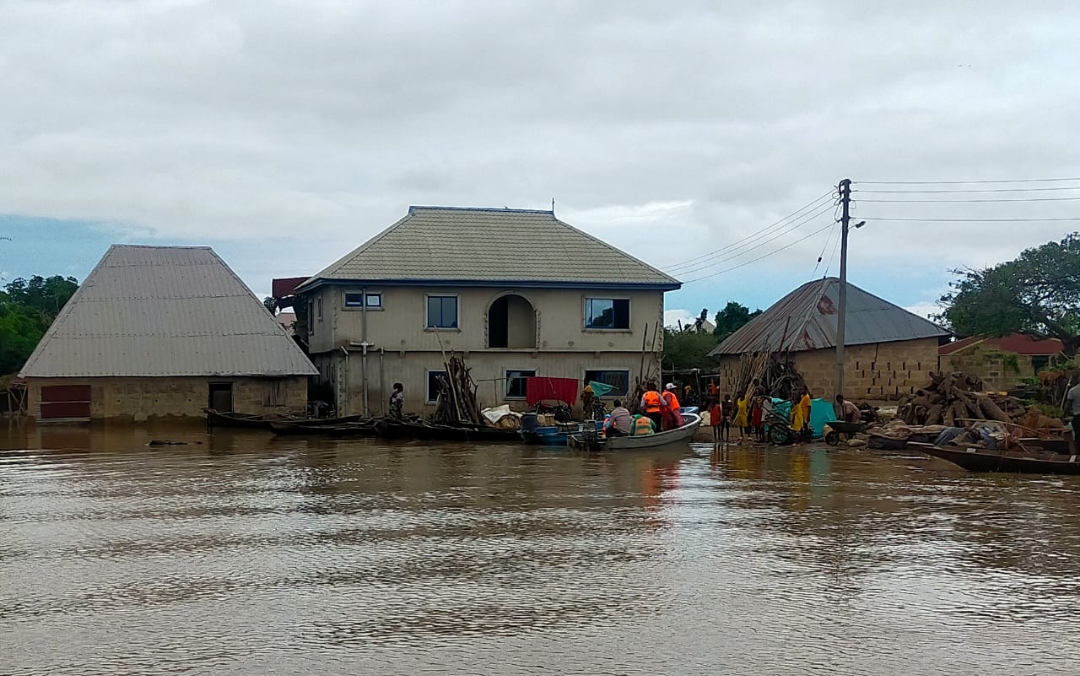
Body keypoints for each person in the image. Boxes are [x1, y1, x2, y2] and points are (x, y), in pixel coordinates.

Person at [1066, 381, 1080, 454]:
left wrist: (1065, 413)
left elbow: (1068, 404)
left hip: (1078, 416)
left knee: (1078, 435)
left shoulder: (1073, 390)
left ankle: (1078, 453)